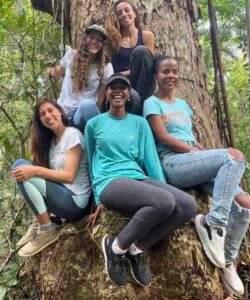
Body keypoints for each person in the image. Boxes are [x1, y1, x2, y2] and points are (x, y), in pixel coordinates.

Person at [143, 55, 250, 296]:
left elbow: (191, 137)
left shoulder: (183, 104)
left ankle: (227, 259)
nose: (170, 76)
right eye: (165, 71)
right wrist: (194, 152)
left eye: (174, 71)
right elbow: (164, 138)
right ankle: (213, 224)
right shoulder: (151, 103)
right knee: (233, 156)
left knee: (245, 204)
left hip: (193, 159)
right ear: (156, 75)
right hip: (173, 163)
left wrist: (202, 154)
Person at [85, 73, 196, 287]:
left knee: (187, 205)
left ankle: (136, 248)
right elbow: (91, 162)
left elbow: (150, 159)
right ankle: (115, 247)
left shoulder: (139, 124)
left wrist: (164, 185)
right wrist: (97, 199)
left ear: (129, 94)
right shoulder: (94, 124)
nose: (118, 90)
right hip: (109, 181)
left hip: (137, 177)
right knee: (163, 202)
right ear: (106, 93)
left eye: (123, 87)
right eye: (112, 87)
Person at [12, 98, 91, 257]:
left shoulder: (72, 134)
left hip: (76, 200)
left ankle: (46, 229)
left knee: (23, 167)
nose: (47, 115)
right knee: (21, 165)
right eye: (42, 114)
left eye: (50, 110)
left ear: (60, 112)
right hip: (63, 197)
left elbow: (69, 176)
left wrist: (35, 171)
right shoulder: (52, 144)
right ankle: (39, 222)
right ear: (40, 121)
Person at [47, 24, 113, 131]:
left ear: (102, 45)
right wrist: (50, 72)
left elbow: (101, 98)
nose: (94, 42)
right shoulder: (71, 55)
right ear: (85, 39)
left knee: (86, 104)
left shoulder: (105, 67)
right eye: (91, 37)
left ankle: (102, 136)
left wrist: (97, 111)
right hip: (63, 112)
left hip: (82, 115)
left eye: (99, 40)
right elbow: (60, 70)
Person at [108, 0, 155, 103]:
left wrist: (129, 72)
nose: (124, 14)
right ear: (117, 19)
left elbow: (149, 65)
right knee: (133, 97)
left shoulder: (146, 36)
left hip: (144, 84)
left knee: (141, 51)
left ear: (134, 14)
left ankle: (144, 102)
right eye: (119, 13)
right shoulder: (113, 40)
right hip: (123, 84)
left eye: (127, 10)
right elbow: (110, 71)